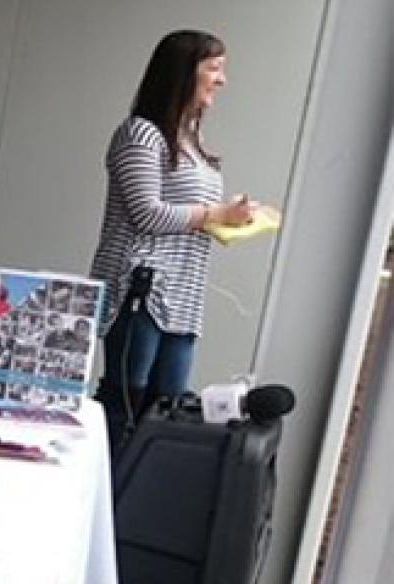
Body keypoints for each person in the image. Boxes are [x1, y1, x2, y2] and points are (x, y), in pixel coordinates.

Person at [88, 30, 257, 449]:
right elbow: (146, 213)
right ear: (183, 73)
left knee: (167, 413)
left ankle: (138, 488)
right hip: (142, 290)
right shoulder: (141, 134)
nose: (222, 80)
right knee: (127, 404)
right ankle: (106, 486)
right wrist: (216, 214)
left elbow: (189, 214)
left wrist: (232, 217)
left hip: (184, 295)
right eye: (214, 68)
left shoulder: (191, 140)